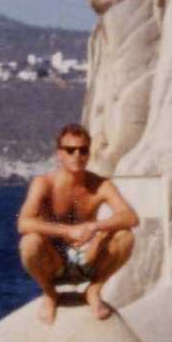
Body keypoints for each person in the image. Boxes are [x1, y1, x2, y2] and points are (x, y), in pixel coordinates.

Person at [18, 123, 138, 324]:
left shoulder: (100, 185)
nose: (77, 155)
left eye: (83, 150)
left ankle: (93, 289)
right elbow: (24, 223)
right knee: (29, 243)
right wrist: (68, 230)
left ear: (88, 153)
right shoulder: (45, 183)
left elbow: (130, 217)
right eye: (70, 150)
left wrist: (94, 226)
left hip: (86, 258)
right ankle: (49, 293)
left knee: (125, 236)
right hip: (54, 261)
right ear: (59, 154)